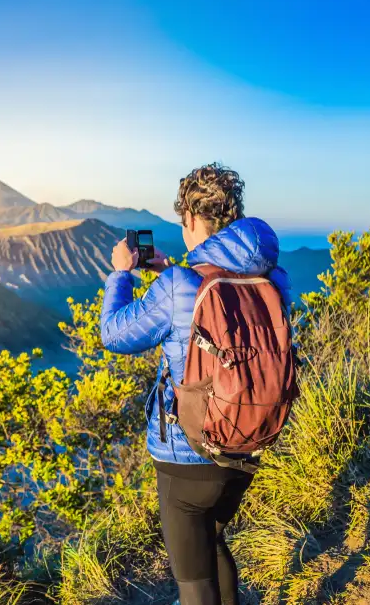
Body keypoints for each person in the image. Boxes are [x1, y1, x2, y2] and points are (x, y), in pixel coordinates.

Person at [100, 162, 290, 605]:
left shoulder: (178, 285)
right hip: (251, 441)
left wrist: (122, 275)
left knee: (192, 581)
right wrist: (175, 270)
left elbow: (114, 334)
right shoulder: (272, 277)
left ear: (189, 219)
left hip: (187, 455)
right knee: (212, 540)